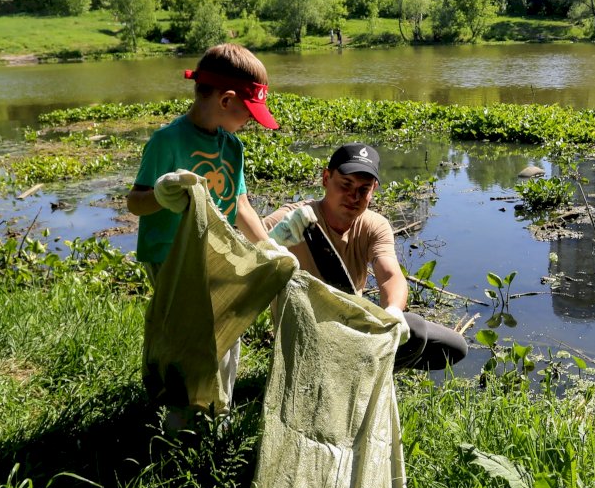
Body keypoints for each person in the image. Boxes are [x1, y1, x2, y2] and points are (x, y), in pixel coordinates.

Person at [126, 43, 285, 427]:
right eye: (250, 113)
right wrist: (162, 195)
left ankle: (218, 410)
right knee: (188, 336)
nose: (251, 121)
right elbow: (135, 202)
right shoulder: (167, 142)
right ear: (227, 100)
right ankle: (179, 416)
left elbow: (241, 206)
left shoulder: (233, 147)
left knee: (226, 331)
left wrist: (269, 246)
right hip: (171, 254)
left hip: (215, 251)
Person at [263, 143, 469, 371]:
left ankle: (362, 375)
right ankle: (345, 373)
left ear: (374, 189)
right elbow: (238, 246)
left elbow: (390, 275)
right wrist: (269, 241)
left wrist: (394, 312)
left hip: (352, 325)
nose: (354, 196)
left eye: (364, 189)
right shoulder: (295, 218)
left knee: (446, 344)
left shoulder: (374, 225)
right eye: (346, 185)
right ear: (326, 178)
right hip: (303, 330)